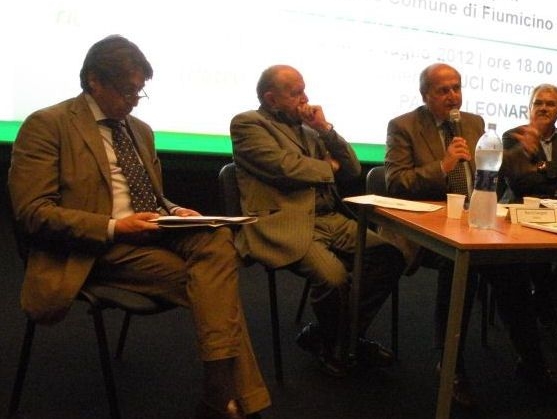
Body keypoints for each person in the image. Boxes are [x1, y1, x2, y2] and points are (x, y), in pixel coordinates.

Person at [7, 35, 269, 419]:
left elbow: (151, 195)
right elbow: (33, 213)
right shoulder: (47, 125)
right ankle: (228, 399)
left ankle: (220, 395)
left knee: (216, 238)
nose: (133, 101)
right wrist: (115, 226)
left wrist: (175, 210)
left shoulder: (140, 129)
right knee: (213, 287)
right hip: (93, 248)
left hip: (151, 233)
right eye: (127, 91)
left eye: (139, 93)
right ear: (95, 81)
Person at [385, 63, 557, 408]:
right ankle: (450, 365)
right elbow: (396, 182)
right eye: (443, 90)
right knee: (460, 266)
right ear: (425, 95)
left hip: (475, 221)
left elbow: (492, 166)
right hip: (427, 227)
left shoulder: (473, 123)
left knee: (510, 267)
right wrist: (444, 165)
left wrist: (522, 152)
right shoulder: (403, 126)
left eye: (457, 87)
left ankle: (532, 363)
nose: (453, 96)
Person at [229, 65, 404, 378]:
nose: (305, 98)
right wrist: (327, 167)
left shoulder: (311, 130)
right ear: (271, 99)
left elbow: (352, 168)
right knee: (333, 278)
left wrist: (325, 129)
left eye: (304, 90)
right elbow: (284, 168)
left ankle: (332, 338)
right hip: (286, 223)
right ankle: (344, 345)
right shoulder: (248, 124)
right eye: (295, 93)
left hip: (330, 217)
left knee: (389, 256)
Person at [499, 83, 557, 330]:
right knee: (538, 250)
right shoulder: (513, 137)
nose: (543, 108)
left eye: (550, 104)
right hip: (525, 208)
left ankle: (541, 299)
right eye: (538, 103)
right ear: (529, 107)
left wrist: (542, 167)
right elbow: (519, 181)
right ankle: (544, 306)